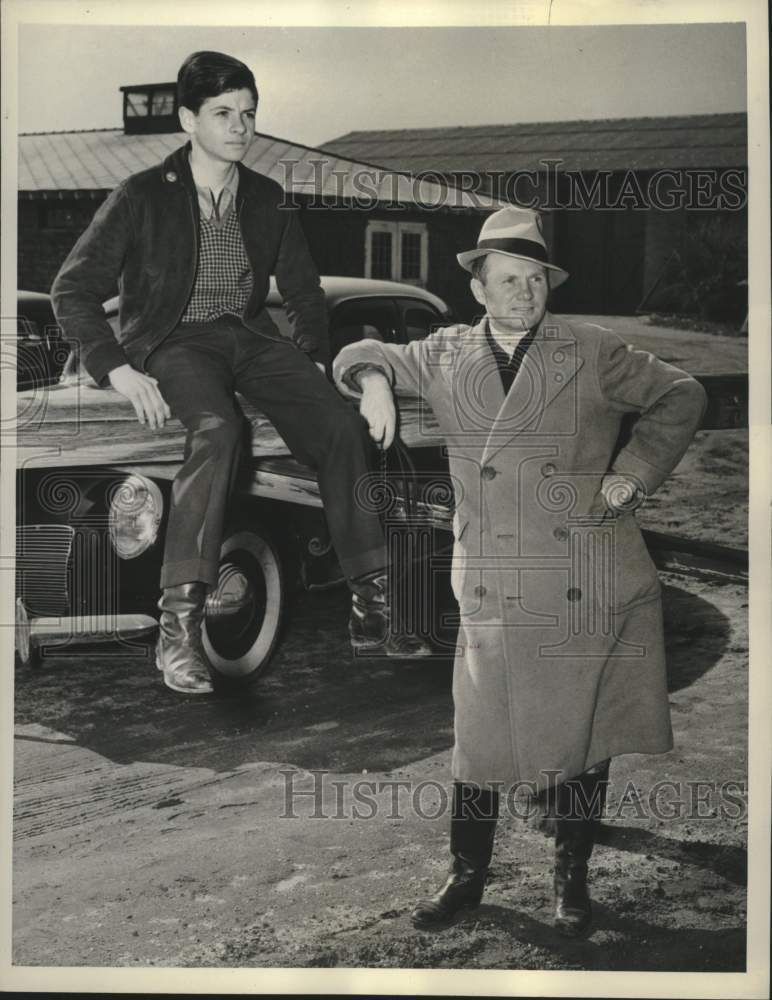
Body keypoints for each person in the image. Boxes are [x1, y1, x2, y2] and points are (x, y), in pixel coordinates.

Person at [333, 206, 707, 937]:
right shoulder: (442, 352)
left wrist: (630, 478)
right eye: (507, 280)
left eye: (534, 279)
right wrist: (374, 381)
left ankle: (570, 881)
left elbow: (682, 394)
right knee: (478, 737)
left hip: (583, 570)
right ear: (479, 286)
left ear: (547, 283)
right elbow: (353, 351)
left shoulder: (591, 348)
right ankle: (466, 877)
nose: (523, 294)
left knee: (581, 735)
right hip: (493, 579)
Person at [52, 50, 429, 696]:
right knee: (218, 430)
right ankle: (179, 628)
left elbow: (305, 290)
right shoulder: (140, 196)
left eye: (249, 114)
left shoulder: (268, 199)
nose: (240, 127)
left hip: (251, 339)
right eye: (223, 113)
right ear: (187, 120)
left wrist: (312, 357)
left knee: (340, 427)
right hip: (175, 341)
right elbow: (70, 291)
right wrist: (117, 370)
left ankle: (372, 602)